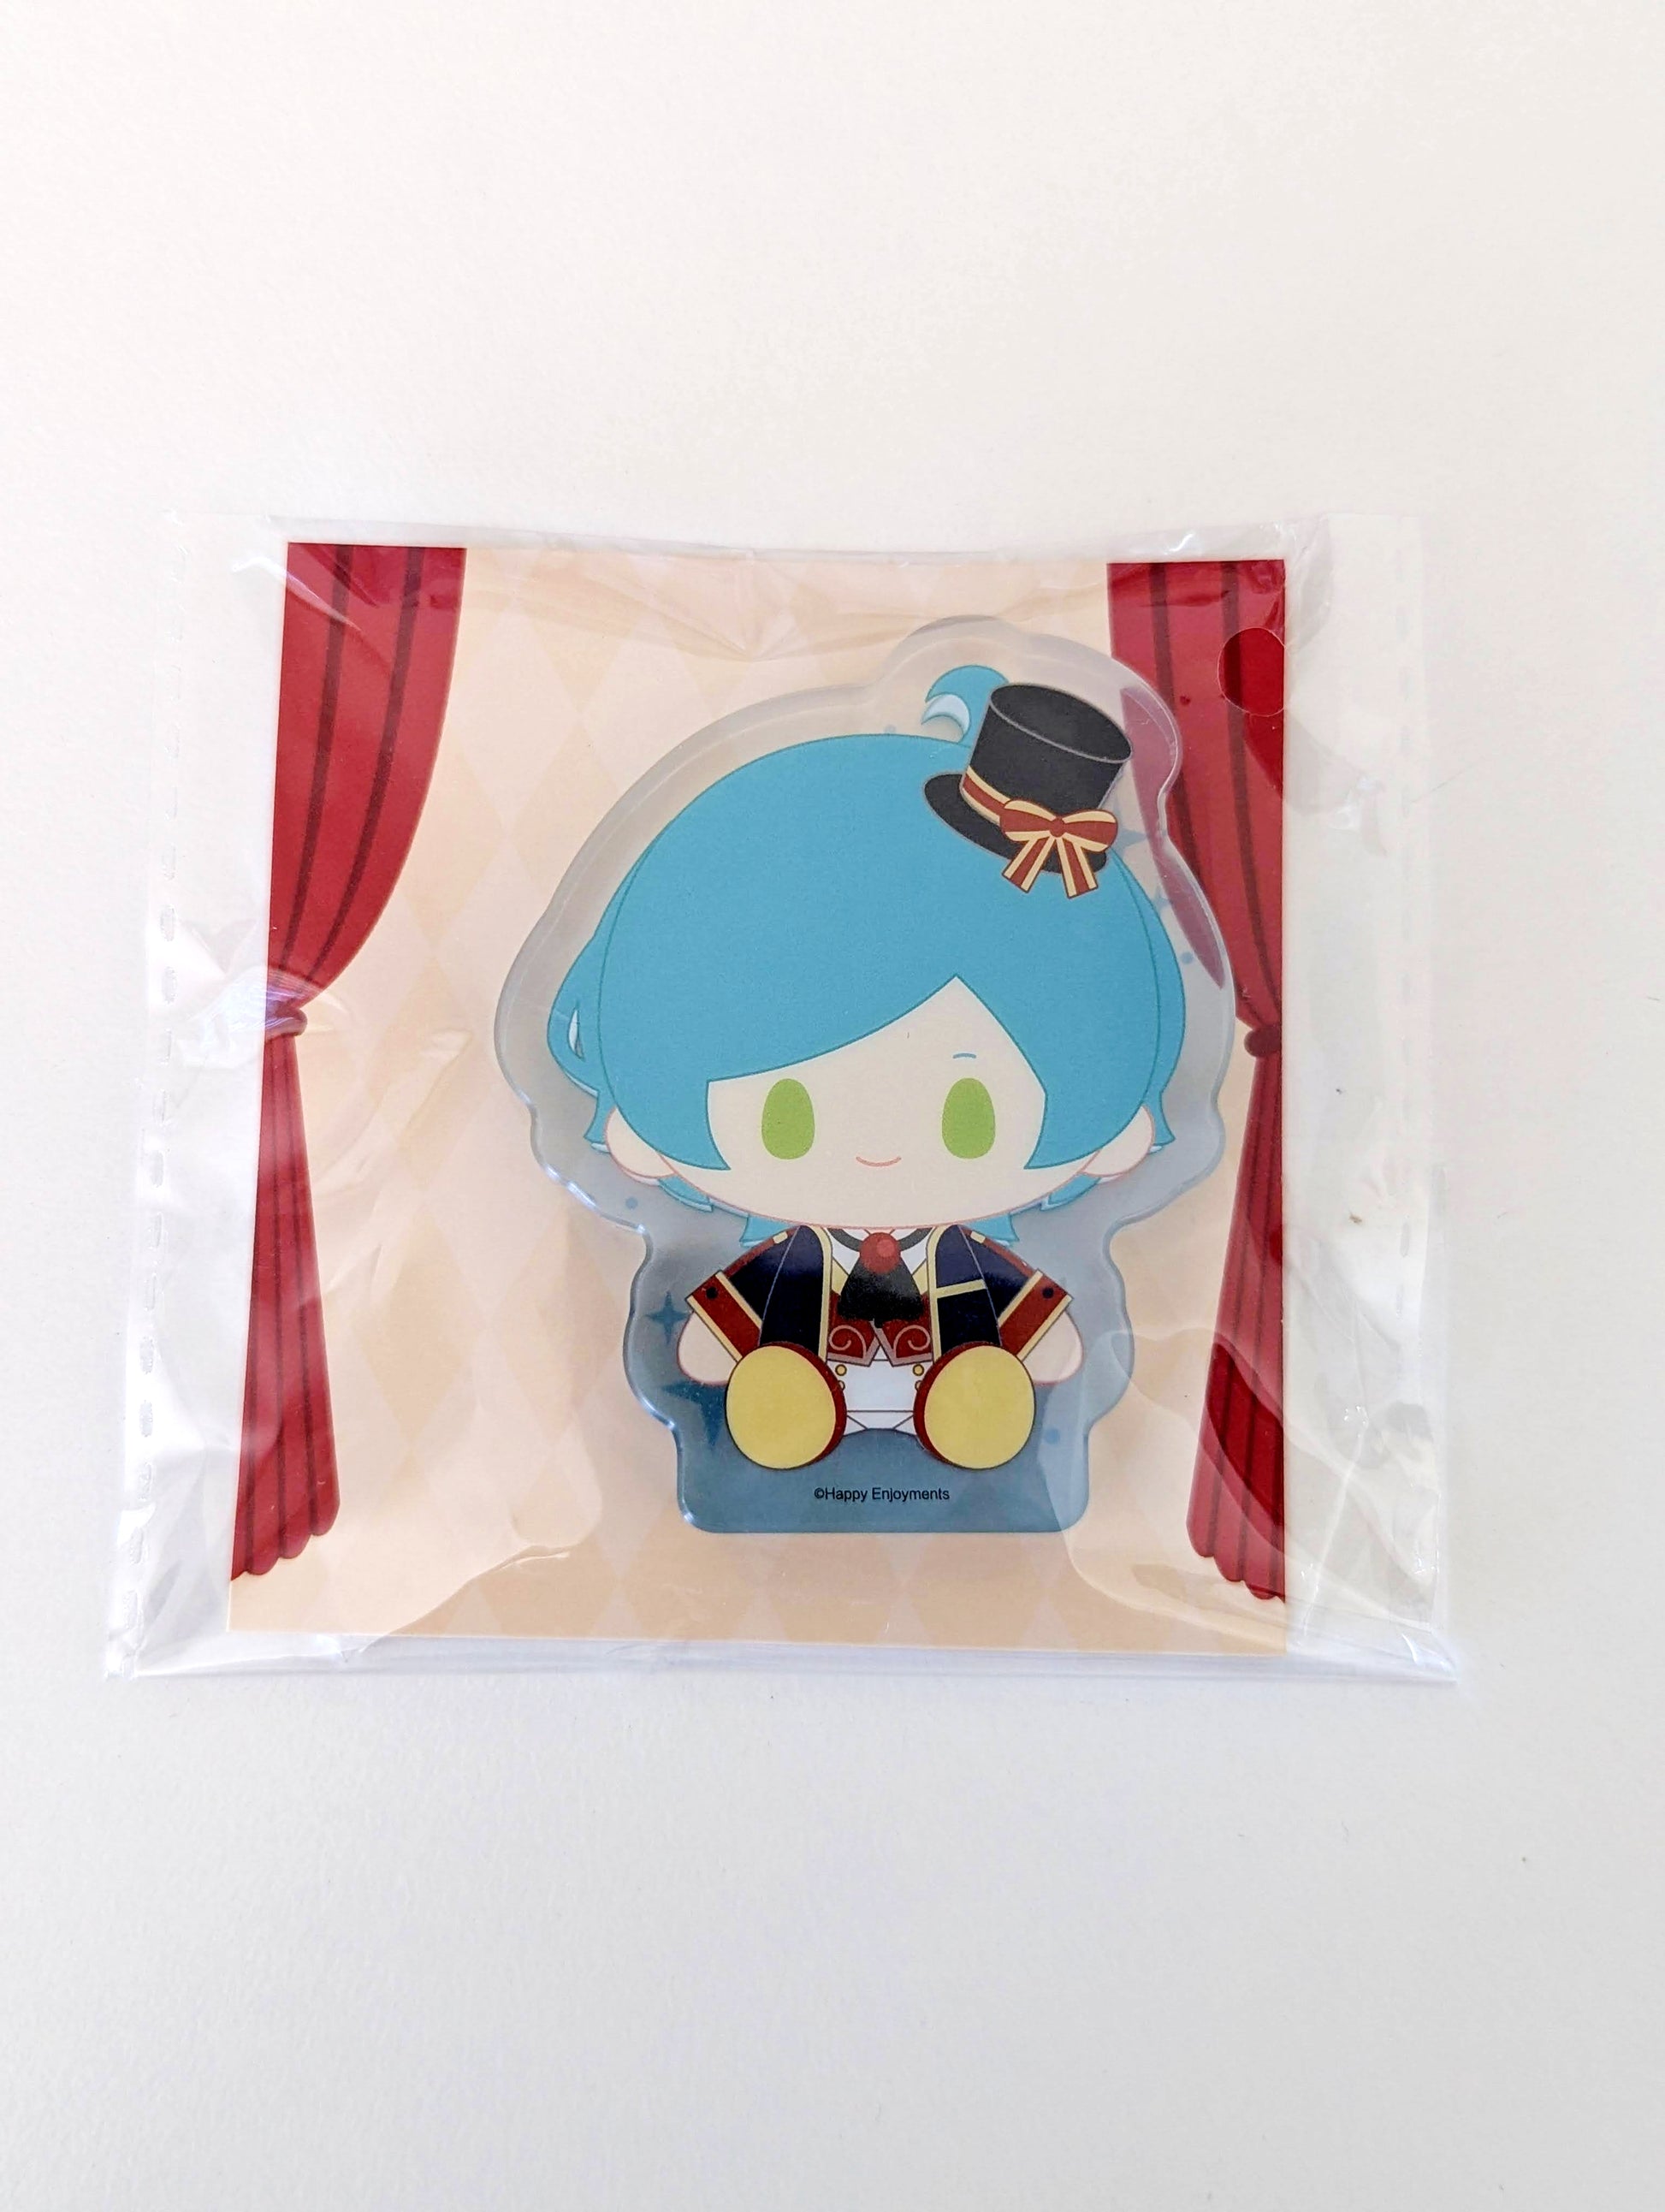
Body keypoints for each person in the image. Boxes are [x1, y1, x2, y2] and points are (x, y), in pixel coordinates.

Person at [548, 665, 1185, 1472]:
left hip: (956, 1388)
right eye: (787, 1116)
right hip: (804, 1385)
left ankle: (965, 1406)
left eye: (969, 1114)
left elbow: (1028, 1320)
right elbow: (733, 1318)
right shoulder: (795, 1260)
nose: (878, 1148)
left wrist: (1028, 1341)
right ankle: (793, 1403)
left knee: (974, 1366)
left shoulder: (960, 1262)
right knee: (785, 1362)